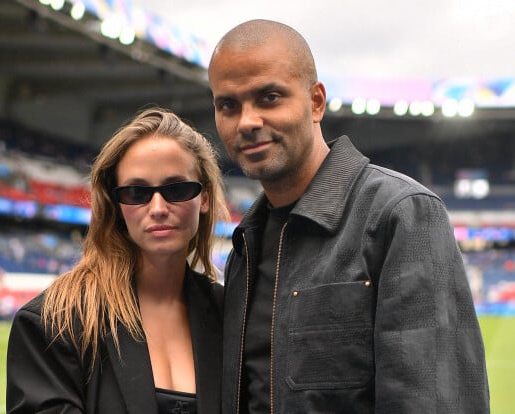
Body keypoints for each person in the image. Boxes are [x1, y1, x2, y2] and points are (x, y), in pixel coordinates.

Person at [208, 19, 490, 413]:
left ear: (316, 102)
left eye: (269, 97)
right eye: (228, 105)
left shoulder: (400, 215)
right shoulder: (245, 245)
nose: (248, 121)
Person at [6, 107, 229, 413]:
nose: (159, 208)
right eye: (137, 192)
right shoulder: (56, 323)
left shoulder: (228, 313)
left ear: (203, 197)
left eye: (176, 188)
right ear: (116, 205)